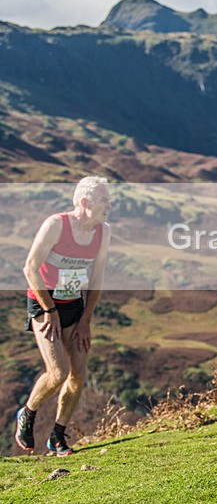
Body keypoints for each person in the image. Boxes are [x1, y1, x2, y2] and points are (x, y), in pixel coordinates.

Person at [15, 176, 112, 456]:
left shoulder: (104, 232)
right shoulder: (56, 225)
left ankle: (57, 435)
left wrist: (86, 320)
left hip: (74, 306)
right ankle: (28, 413)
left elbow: (97, 278)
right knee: (58, 372)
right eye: (103, 200)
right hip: (44, 305)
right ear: (84, 202)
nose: (109, 205)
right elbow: (30, 268)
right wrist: (49, 310)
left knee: (78, 374)